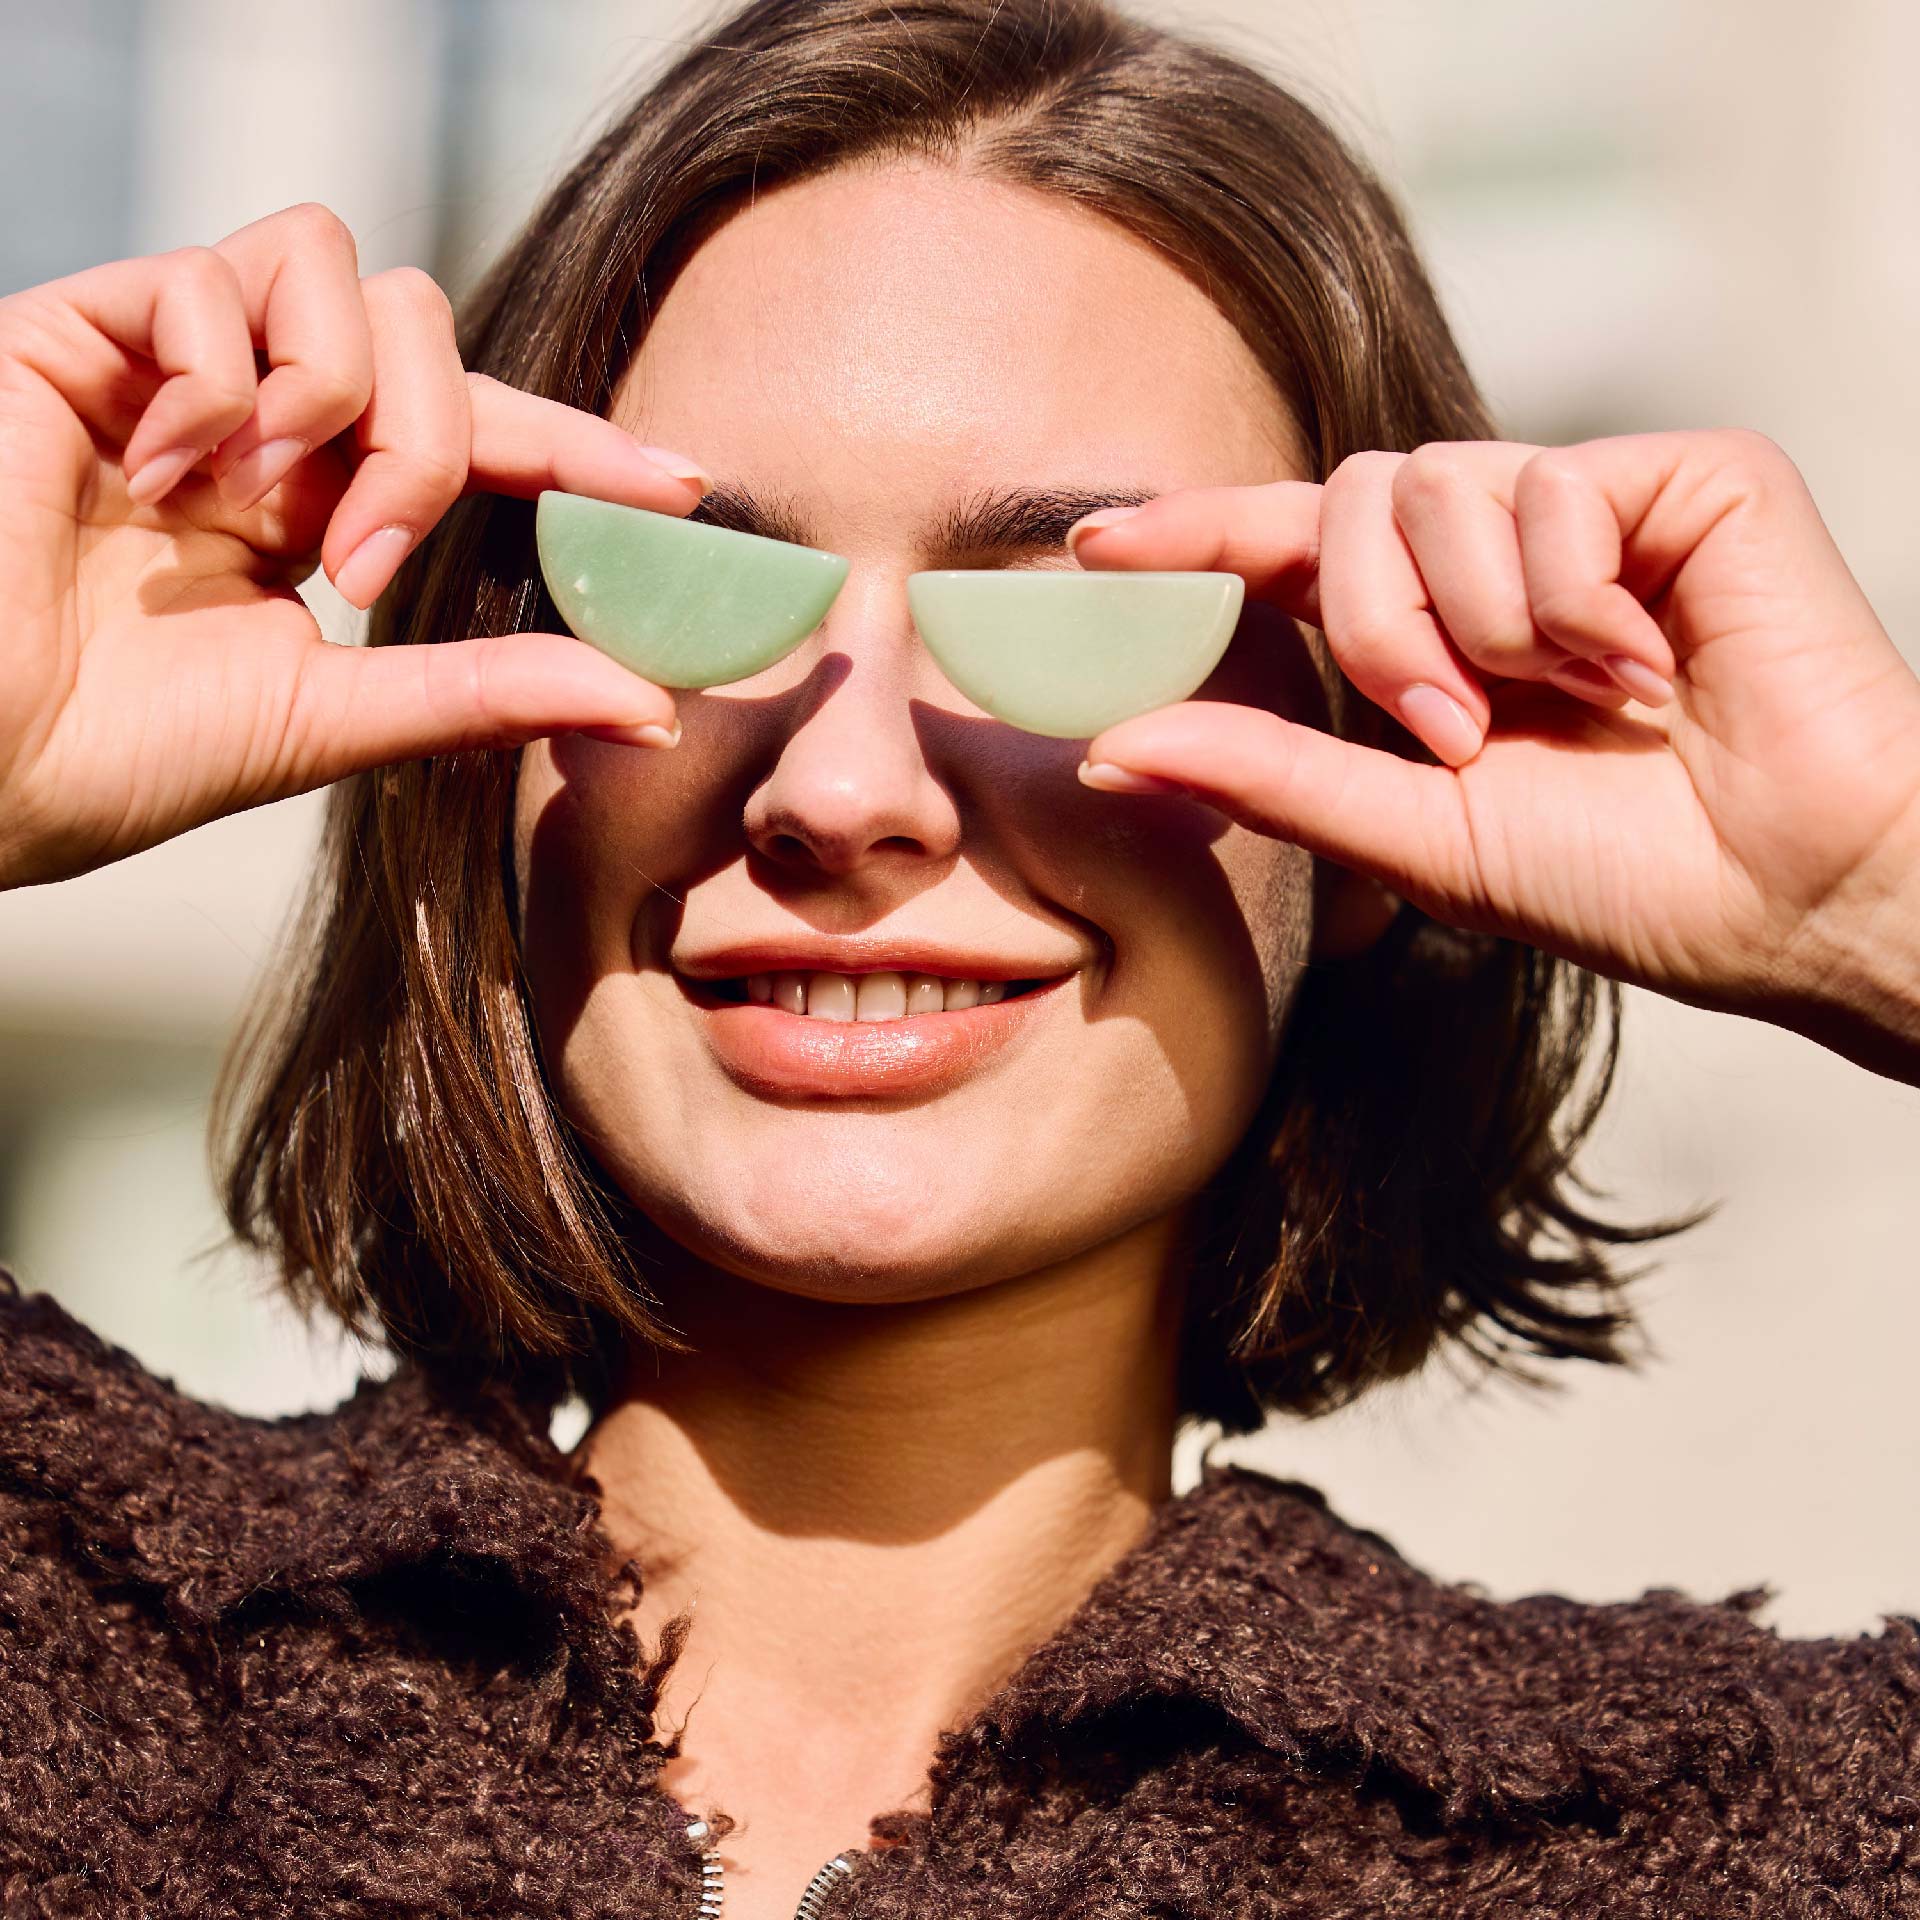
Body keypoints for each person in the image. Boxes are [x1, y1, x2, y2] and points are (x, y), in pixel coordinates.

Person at [2, 0, 1916, 1913]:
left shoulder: (1707, 1851)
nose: (844, 789)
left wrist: (1880, 903)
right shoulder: (63, 1627)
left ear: (1386, 777)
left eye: (1072, 613)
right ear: (488, 743)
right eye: (692, 589)